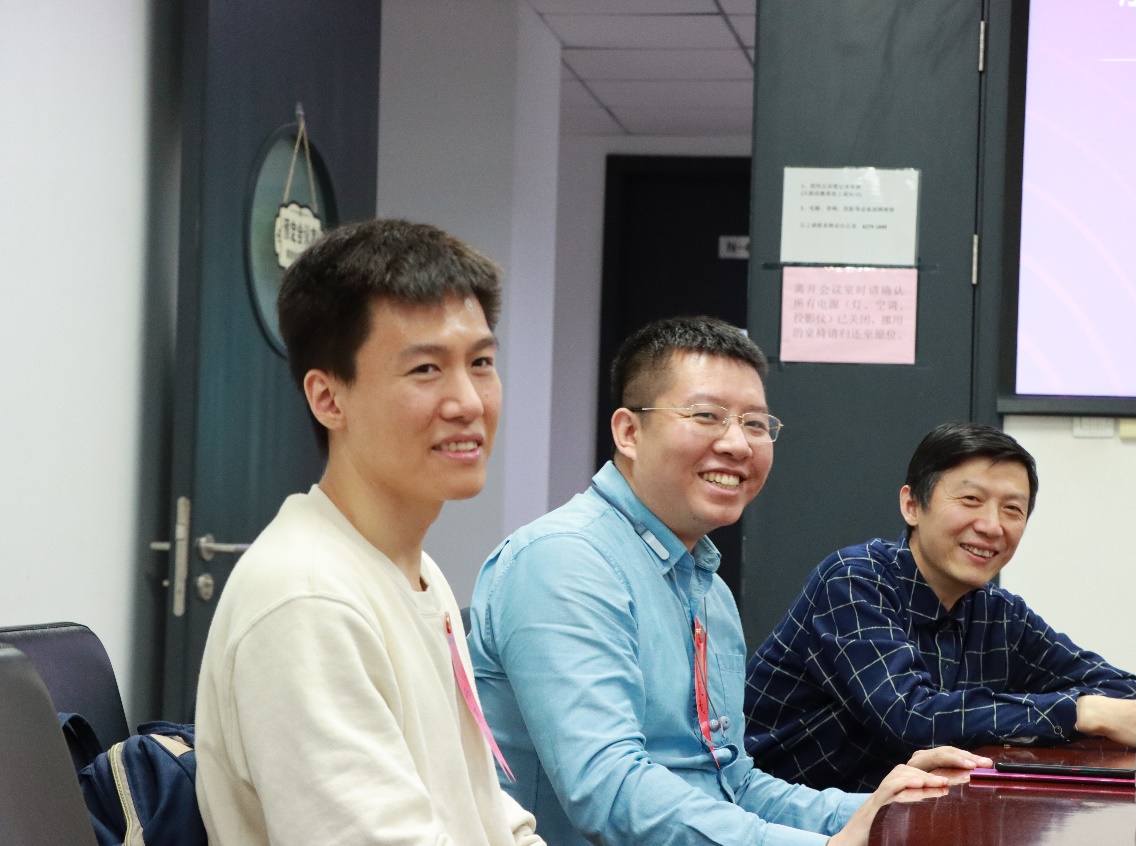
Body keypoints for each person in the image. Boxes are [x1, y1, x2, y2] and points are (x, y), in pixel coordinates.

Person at [467, 317, 985, 846]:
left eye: (756, 424)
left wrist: (890, 807)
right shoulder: (564, 561)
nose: (738, 444)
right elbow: (610, 791)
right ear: (628, 432)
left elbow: (731, 784)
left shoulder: (707, 587)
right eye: (706, 416)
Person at [194, 219, 544, 846]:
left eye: (481, 363)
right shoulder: (306, 599)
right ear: (329, 399)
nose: (468, 402)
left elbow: (482, 810)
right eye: (426, 369)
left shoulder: (411, 569)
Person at [744, 422, 1136, 793]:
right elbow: (912, 717)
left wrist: (1094, 711)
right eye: (971, 500)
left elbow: (1122, 693)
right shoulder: (854, 580)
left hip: (895, 813)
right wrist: (1079, 712)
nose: (991, 526)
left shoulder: (998, 613)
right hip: (780, 814)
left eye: (1012, 509)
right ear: (912, 505)